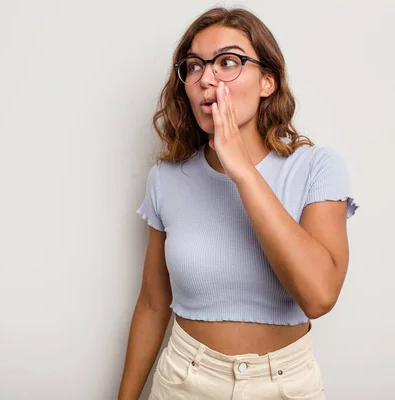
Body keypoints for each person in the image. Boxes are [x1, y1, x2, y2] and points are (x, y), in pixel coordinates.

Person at [118, 6, 358, 400]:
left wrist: (243, 171)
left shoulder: (317, 168)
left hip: (286, 385)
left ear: (268, 81)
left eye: (227, 62)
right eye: (194, 66)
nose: (206, 79)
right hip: (182, 382)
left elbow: (319, 295)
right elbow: (151, 305)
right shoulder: (166, 178)